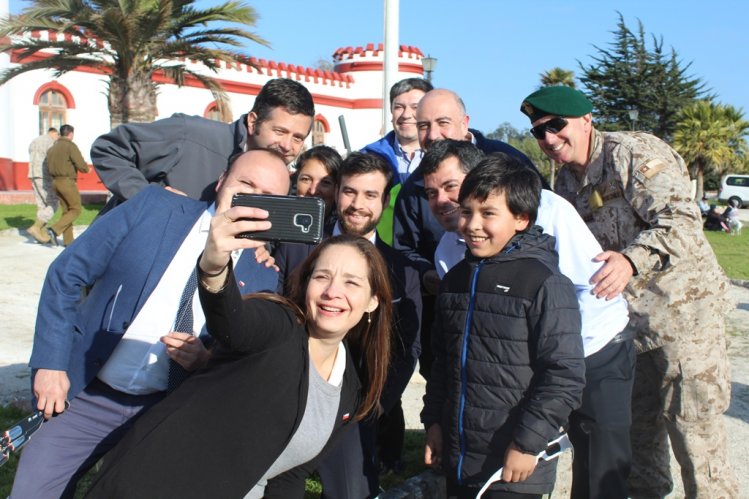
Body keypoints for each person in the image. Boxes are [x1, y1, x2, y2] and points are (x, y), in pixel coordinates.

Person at [10, 149, 290, 499]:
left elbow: (241, 362)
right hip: (86, 393)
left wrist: (206, 360)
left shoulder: (263, 276)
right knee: (33, 492)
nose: (251, 201)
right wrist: (51, 364)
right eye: (244, 184)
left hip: (163, 413)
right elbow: (67, 273)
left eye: (267, 197)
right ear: (221, 183)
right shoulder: (154, 208)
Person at [521, 85, 737, 498]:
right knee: (639, 441)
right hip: (627, 327)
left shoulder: (631, 153)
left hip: (683, 317)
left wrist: (631, 259)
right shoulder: (566, 180)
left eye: (555, 125)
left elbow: (682, 220)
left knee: (694, 434)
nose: (548, 139)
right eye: (538, 132)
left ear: (586, 120)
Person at [84, 233, 393, 498]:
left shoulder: (349, 389)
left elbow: (289, 475)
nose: (332, 291)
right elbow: (233, 321)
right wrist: (215, 267)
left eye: (351, 282)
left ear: (372, 301)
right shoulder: (280, 325)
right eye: (322, 276)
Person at [423, 140, 634, 498]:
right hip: (465, 452)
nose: (473, 224)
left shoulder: (546, 279)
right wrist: (434, 421)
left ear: (522, 218)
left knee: (599, 468)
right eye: (466, 211)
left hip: (526, 440)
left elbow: (563, 372)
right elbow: (444, 359)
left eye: (488, 213)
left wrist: (528, 441)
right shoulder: (455, 273)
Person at [275, 152, 421, 496]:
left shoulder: (404, 271)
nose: (357, 204)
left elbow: (406, 348)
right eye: (349, 191)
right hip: (288, 396)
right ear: (336, 191)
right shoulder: (295, 248)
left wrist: (377, 404)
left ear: (385, 202)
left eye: (370, 195)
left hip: (355, 410)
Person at [392, 88, 545, 380]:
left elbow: (542, 222)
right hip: (451, 316)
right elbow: (403, 249)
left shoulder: (509, 161)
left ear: (465, 122)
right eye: (423, 126)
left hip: (515, 314)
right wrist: (427, 274)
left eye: (442, 122)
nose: (433, 134)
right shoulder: (413, 188)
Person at [91, 77, 314, 211]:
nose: (287, 145)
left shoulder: (284, 180)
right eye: (279, 131)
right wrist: (149, 198)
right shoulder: (189, 134)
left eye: (298, 138)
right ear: (253, 122)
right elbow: (108, 149)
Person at [361, 77, 433, 245]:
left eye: (415, 107)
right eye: (399, 107)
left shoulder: (446, 159)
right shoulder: (369, 157)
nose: (406, 115)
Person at [45, 124, 89, 246]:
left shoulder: (52, 148)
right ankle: (54, 229)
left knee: (66, 211)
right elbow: (80, 163)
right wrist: (86, 169)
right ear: (71, 134)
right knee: (75, 209)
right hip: (66, 182)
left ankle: (68, 241)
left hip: (55, 182)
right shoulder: (70, 146)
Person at [293, 145, 342, 229]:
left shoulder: (343, 231)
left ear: (337, 189)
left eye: (325, 182)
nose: (313, 191)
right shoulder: (279, 220)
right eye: (306, 179)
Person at [26, 127, 59, 244]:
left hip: (32, 174)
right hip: (44, 175)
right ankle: (36, 227)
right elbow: (53, 160)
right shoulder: (50, 142)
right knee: (53, 203)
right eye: (57, 136)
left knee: (41, 204)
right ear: (54, 133)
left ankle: (40, 233)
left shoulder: (34, 141)